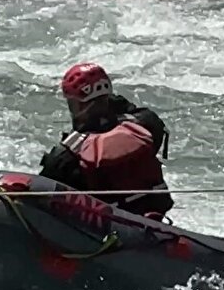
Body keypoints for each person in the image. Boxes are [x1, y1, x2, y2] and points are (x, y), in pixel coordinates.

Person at [38, 62, 174, 219]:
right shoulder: (145, 123)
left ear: (80, 105)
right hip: (154, 211)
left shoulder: (68, 153)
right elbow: (140, 115)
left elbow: (41, 190)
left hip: (106, 224)